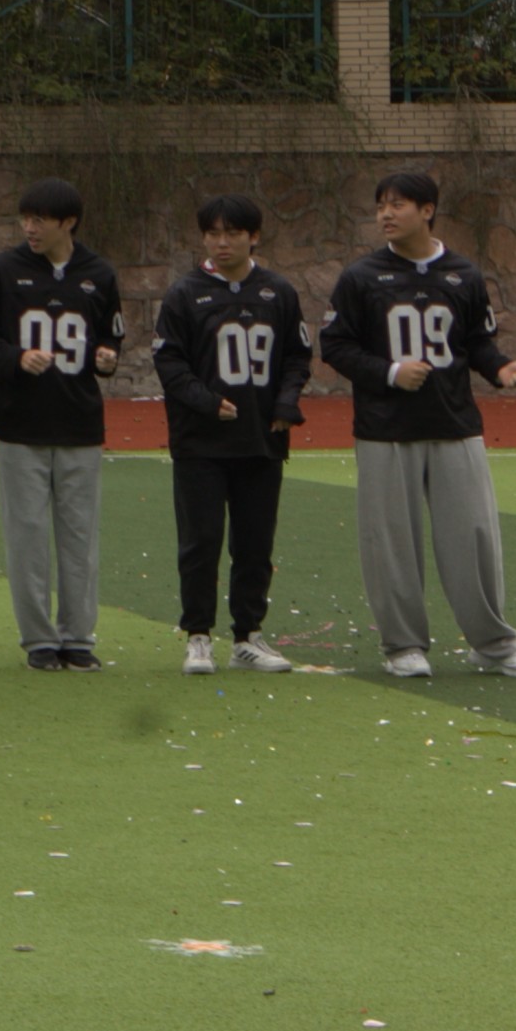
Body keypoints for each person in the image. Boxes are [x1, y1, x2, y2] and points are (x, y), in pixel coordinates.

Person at [316, 171, 516, 680]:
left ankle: (493, 644)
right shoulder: (360, 278)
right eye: (381, 205)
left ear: (427, 210)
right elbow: (336, 346)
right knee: (391, 542)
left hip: (455, 423)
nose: (386, 214)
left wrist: (500, 368)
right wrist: (390, 372)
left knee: (475, 535)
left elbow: (477, 343)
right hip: (385, 429)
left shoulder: (464, 274)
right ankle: (404, 645)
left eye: (398, 204)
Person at [150, 193, 313, 677]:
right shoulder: (185, 293)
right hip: (200, 442)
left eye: (233, 234)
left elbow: (297, 356)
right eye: (213, 234)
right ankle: (198, 636)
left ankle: (248, 636)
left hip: (261, 439)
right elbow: (169, 362)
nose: (222, 243)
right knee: (200, 542)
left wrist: (286, 405)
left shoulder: (277, 292)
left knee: (255, 544)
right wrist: (205, 400)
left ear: (253, 237)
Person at [0, 179, 126, 671]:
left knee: (80, 538)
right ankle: (38, 639)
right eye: (25, 218)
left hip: (78, 423)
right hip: (20, 424)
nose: (29, 228)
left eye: (40, 220)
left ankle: (77, 637)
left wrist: (105, 358)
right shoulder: (4, 271)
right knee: (27, 537)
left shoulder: (98, 273)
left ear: (68, 222)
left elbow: (110, 342)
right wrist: (16, 358)